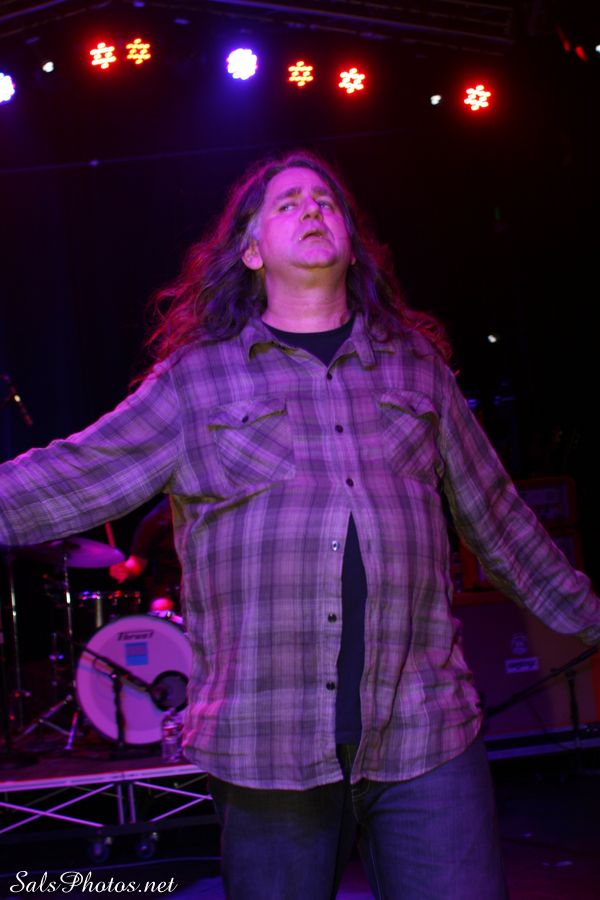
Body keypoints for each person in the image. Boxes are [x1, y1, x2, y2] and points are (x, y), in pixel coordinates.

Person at [0, 149, 599, 899]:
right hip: (267, 741)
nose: (312, 209)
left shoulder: (416, 369)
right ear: (251, 251)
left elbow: (501, 519)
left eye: (325, 201)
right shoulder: (198, 379)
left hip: (426, 728)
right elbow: (75, 473)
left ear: (351, 240)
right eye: (286, 204)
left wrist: (592, 617)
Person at [108, 494, 181, 616]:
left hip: (203, 582)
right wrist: (125, 569)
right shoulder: (157, 518)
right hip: (169, 589)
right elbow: (137, 562)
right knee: (161, 606)